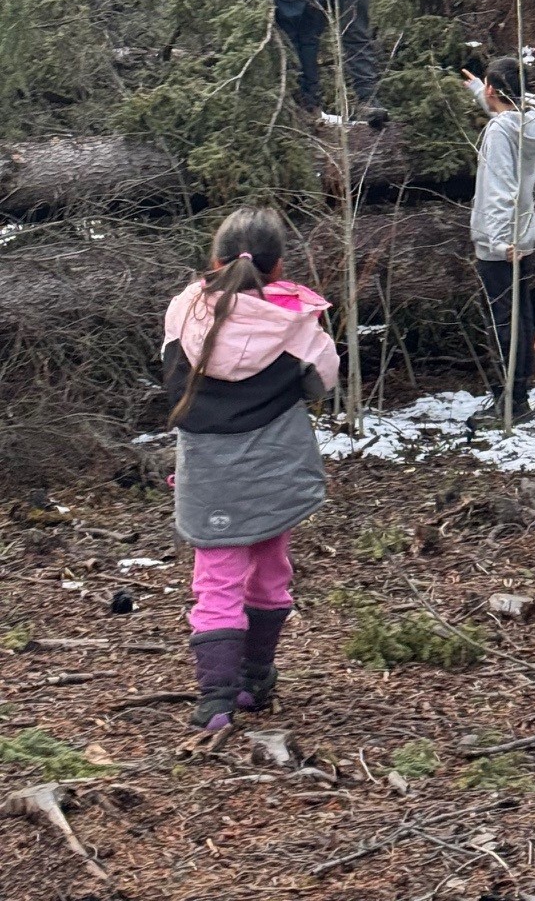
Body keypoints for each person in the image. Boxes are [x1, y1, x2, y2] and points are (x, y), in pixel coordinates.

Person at [163, 205, 339, 732]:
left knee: (215, 581)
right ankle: (255, 679)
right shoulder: (297, 324)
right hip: (274, 467)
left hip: (209, 471)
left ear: (214, 261)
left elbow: (172, 373)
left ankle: (214, 699)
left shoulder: (183, 311)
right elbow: (322, 382)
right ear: (280, 267)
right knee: (270, 569)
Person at [464, 53, 535, 422]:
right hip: (523, 235)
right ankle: (520, 395)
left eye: (487, 86)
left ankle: (508, 403)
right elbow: (506, 112)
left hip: (502, 242)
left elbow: (501, 188)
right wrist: (476, 91)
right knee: (521, 315)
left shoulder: (499, 132)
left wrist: (498, 241)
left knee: (501, 321)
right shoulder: (530, 122)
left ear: (495, 89)